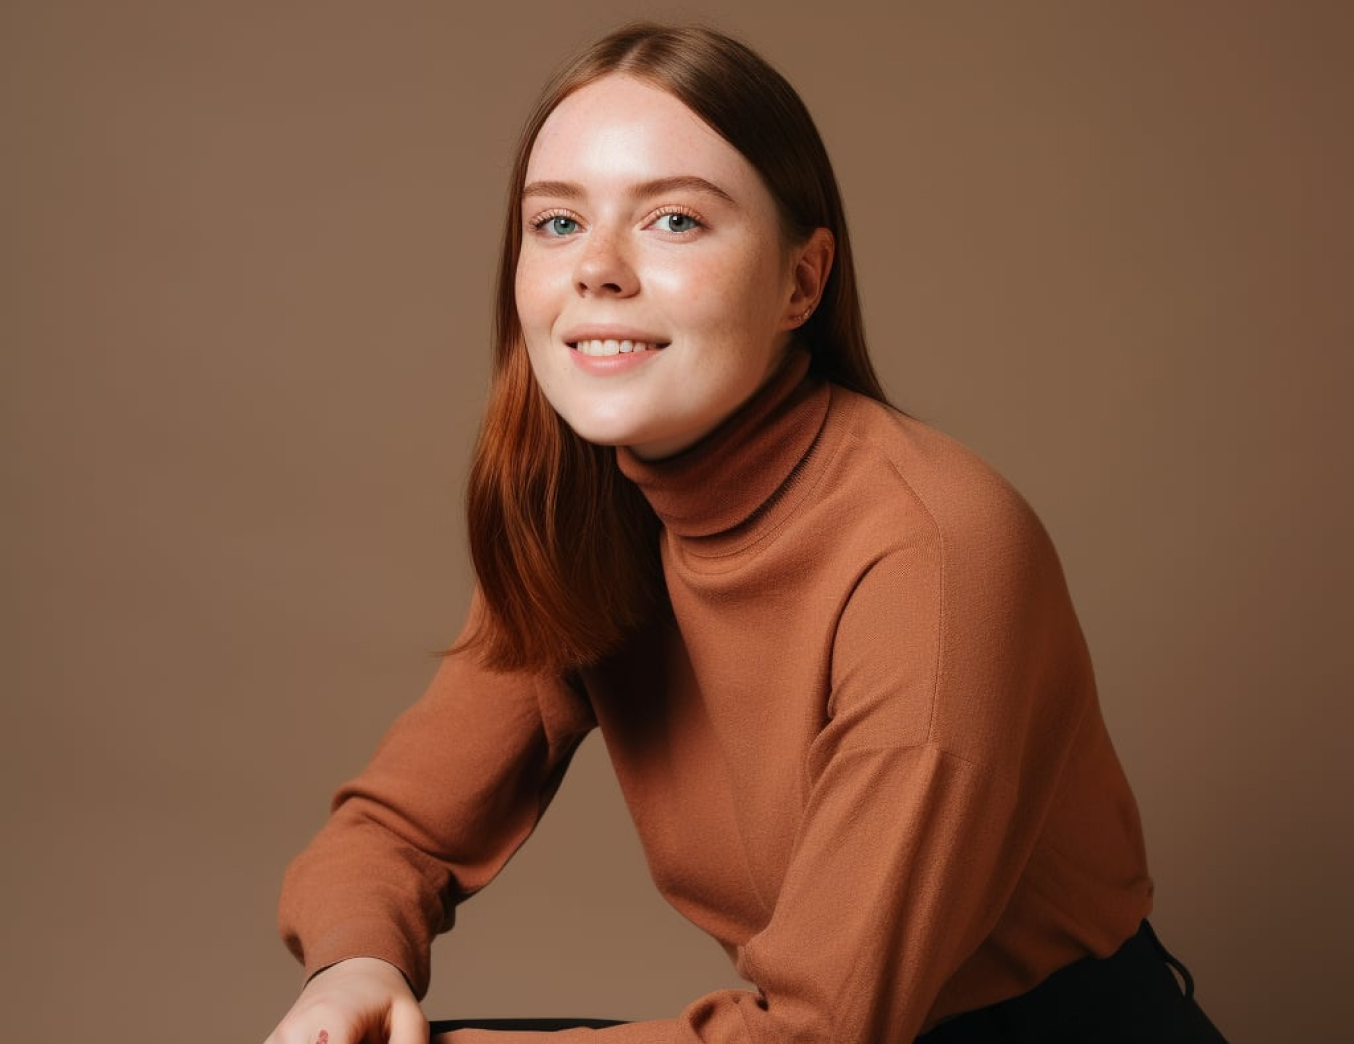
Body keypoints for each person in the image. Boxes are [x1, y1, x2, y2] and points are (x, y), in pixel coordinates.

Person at [264, 22, 1229, 1044]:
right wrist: (352, 970)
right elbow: (392, 832)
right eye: (556, 222)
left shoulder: (936, 553)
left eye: (674, 220)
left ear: (801, 283)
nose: (597, 268)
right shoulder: (594, 516)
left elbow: (814, 1031)